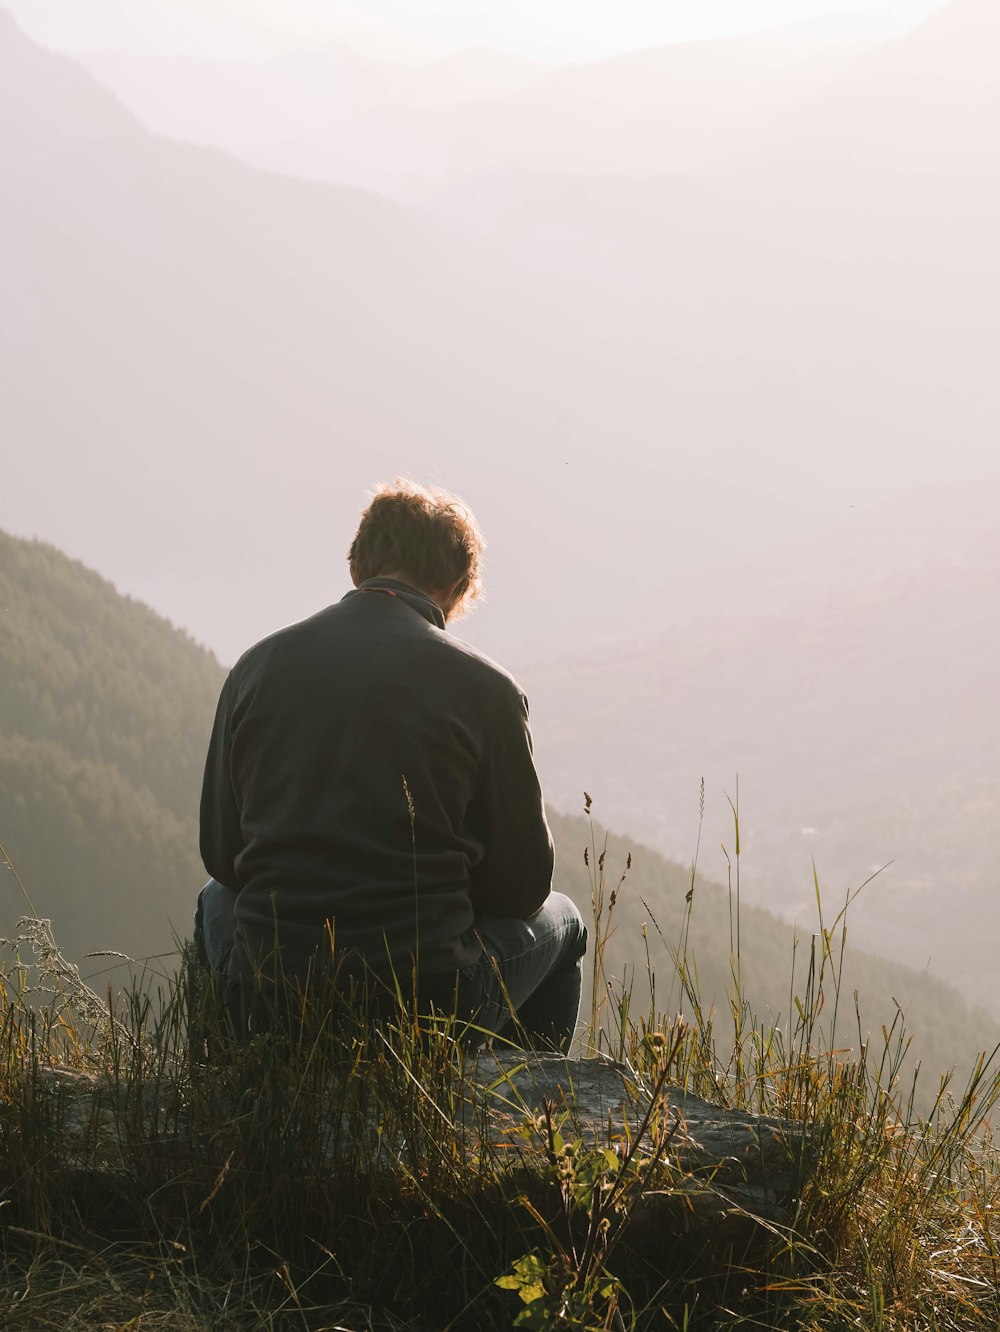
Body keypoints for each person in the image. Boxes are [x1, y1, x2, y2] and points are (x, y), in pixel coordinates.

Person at [195, 478, 587, 1050]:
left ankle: (214, 1092)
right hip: (425, 1005)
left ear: (357, 566)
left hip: (268, 996)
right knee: (566, 920)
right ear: (457, 586)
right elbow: (524, 889)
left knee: (214, 899)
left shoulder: (255, 669)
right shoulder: (488, 689)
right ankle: (513, 1119)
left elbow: (224, 859)